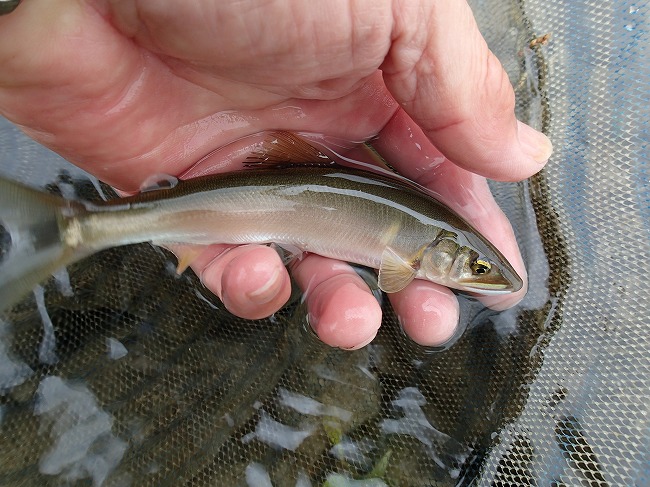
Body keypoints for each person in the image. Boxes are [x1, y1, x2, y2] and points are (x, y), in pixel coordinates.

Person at [0, 0, 552, 349]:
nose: (478, 276)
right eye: (476, 268)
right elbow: (393, 278)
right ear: (438, 252)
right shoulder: (408, 258)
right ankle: (78, 229)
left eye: (477, 268)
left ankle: (79, 227)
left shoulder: (417, 241)